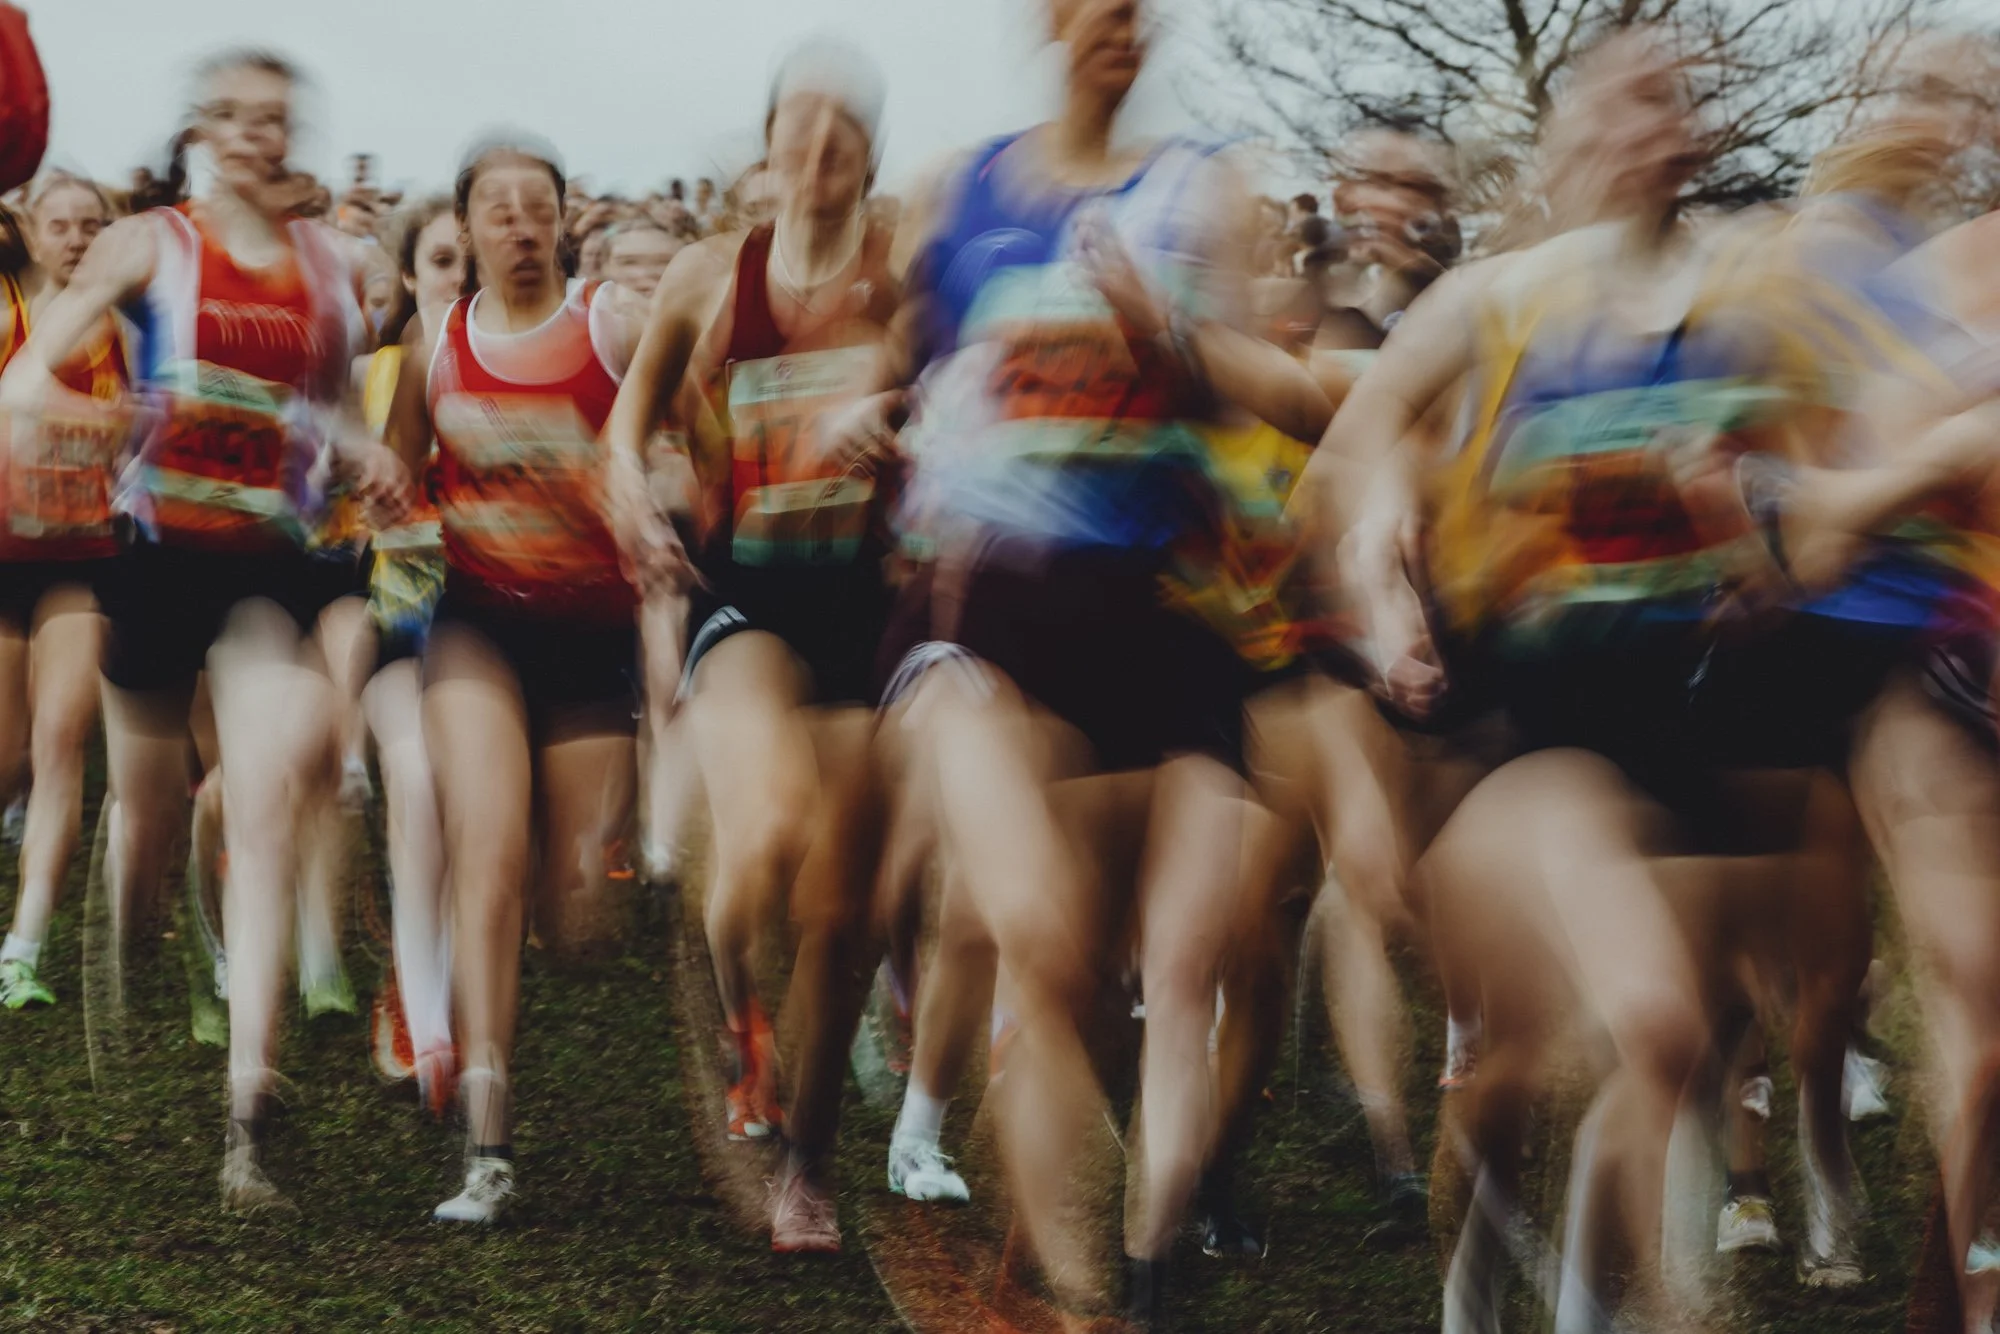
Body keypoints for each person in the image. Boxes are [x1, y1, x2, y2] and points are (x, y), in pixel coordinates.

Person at [880, 0, 1334, 1317]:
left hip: (1165, 616)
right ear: (1049, 21)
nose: (1119, 30)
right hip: (1000, 614)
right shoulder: (957, 196)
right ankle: (1056, 1246)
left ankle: (1151, 1277)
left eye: (1140, 11)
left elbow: (1260, 390)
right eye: (1096, 9)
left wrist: (1167, 334)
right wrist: (881, 412)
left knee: (1186, 960)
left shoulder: (1204, 191)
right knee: (1049, 947)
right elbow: (913, 375)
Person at [0, 48, 408, 1214]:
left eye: (273, 118)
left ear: (294, 135)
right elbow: (25, 383)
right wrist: (121, 412)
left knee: (271, 792)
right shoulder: (151, 248)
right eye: (228, 116)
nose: (251, 135)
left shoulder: (331, 270)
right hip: (152, 566)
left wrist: (364, 451)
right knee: (146, 824)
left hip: (265, 568)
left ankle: (248, 1111)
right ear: (195, 131)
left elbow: (326, 413)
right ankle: (140, 922)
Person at [605, 38, 901, 1254]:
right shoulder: (706, 277)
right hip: (753, 601)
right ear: (768, 145)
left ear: (867, 157)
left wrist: (897, 411)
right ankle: (743, 1022)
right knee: (767, 828)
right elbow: (619, 434)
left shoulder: (908, 276)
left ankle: (809, 1170)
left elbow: (978, 386)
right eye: (797, 123)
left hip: (879, 612)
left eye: (842, 128)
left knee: (843, 913)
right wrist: (628, 494)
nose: (817, 145)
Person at [383, 135, 648, 1224]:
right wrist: (382, 489)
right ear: (469, 225)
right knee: (484, 853)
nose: (519, 224)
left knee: (575, 922)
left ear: (562, 222)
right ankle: (486, 1145)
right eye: (497, 208)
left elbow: (679, 436)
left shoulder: (610, 329)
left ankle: (554, 910)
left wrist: (657, 482)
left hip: (593, 641)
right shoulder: (431, 344)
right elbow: (401, 475)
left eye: (536, 205)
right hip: (478, 627)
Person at [0, 173, 129, 1010]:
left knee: (59, 742)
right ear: (33, 232)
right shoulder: (6, 310)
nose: (78, 238)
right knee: (8, 751)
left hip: (85, 561)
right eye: (62, 224)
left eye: (92, 225)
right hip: (3, 557)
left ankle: (24, 945)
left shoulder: (125, 328)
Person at [356, 196, 463, 1110]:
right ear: (407, 276)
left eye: (467, 263)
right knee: (421, 786)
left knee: (479, 814)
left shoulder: (522, 370)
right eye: (440, 263)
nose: (458, 280)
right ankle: (419, 1006)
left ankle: (440, 988)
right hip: (396, 618)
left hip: (503, 623)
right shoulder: (378, 375)